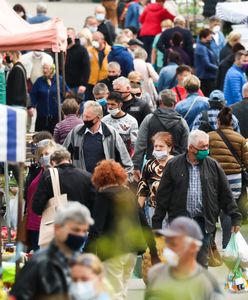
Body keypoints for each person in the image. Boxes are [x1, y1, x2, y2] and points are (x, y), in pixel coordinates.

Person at [152, 129, 242, 267]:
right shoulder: (173, 165)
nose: (206, 150)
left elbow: (225, 193)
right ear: (191, 148)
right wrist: (157, 224)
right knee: (181, 262)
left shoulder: (213, 165)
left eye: (207, 146)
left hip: (204, 221)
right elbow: (163, 197)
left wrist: (235, 217)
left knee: (201, 261)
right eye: (202, 147)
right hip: (181, 221)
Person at [85, 160, 147, 300]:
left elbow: (96, 228)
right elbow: (142, 219)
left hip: (112, 251)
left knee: (114, 292)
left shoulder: (103, 197)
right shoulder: (129, 194)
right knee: (123, 289)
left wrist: (87, 253)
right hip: (132, 249)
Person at [10, 202, 94, 300]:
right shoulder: (39, 264)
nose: (80, 235)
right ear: (57, 228)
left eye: (84, 231)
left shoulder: (82, 264)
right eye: (75, 230)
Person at [145, 217, 224, 300]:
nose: (168, 249)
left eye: (174, 244)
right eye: (167, 242)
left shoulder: (207, 284)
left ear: (193, 247)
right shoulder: (155, 274)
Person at [208, 107, 248, 248]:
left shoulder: (210, 136)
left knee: (212, 211)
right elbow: (246, 162)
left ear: (218, 121)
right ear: (232, 122)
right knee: (228, 211)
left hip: (214, 179)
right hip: (234, 181)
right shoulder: (240, 138)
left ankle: (210, 246)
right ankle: (227, 246)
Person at [63, 101, 133, 178]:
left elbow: (126, 161)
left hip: (104, 183)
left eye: (88, 117)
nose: (84, 119)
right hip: (81, 182)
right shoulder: (76, 132)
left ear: (98, 117)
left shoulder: (111, 133)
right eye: (84, 116)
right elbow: (63, 154)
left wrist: (126, 181)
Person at [132, 89, 189, 180]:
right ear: (175, 103)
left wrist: (136, 166)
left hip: (152, 166)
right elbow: (185, 149)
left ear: (160, 102)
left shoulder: (149, 119)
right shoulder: (182, 122)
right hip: (175, 167)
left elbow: (140, 145)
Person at [32, 147, 96, 216]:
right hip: (82, 221)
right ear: (70, 161)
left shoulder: (48, 176)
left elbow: (37, 206)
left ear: (53, 162)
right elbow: (95, 203)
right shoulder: (87, 176)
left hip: (59, 222)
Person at [25, 139, 57, 252]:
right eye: (41, 154)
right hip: (35, 224)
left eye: (47, 153)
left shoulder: (58, 173)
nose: (44, 157)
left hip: (50, 224)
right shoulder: (37, 171)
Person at [137, 132, 174, 225]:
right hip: (154, 209)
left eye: (161, 146)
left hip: (173, 210)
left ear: (169, 148)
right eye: (155, 146)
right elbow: (143, 188)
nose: (157, 148)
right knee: (157, 238)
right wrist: (137, 212)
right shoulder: (149, 164)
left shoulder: (176, 163)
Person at [31, 62, 69, 134]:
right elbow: (32, 94)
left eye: (47, 68)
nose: (44, 70)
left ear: (52, 69)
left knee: (55, 138)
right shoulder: (39, 81)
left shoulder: (59, 80)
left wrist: (64, 106)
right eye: (43, 68)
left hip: (56, 116)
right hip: (41, 117)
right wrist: (31, 106)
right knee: (40, 138)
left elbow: (67, 93)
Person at [102, 91, 138, 156]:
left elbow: (134, 144)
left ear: (120, 105)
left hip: (124, 158)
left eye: (113, 104)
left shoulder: (131, 121)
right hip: (107, 157)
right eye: (108, 104)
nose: (109, 107)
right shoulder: (104, 120)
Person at [65, 27, 90, 102]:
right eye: (66, 35)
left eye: (69, 35)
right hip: (65, 86)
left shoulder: (81, 50)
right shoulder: (62, 50)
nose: (68, 37)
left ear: (74, 36)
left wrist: (83, 84)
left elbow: (86, 68)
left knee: (79, 108)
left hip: (77, 86)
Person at [86, 31, 111, 101]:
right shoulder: (88, 50)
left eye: (96, 40)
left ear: (103, 40)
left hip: (104, 82)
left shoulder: (110, 51)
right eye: (93, 40)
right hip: (91, 82)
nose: (94, 42)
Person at [194, 29, 218, 97]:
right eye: (209, 37)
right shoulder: (202, 48)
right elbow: (207, 64)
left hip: (206, 77)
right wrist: (218, 68)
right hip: (206, 78)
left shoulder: (204, 46)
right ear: (203, 38)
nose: (211, 38)